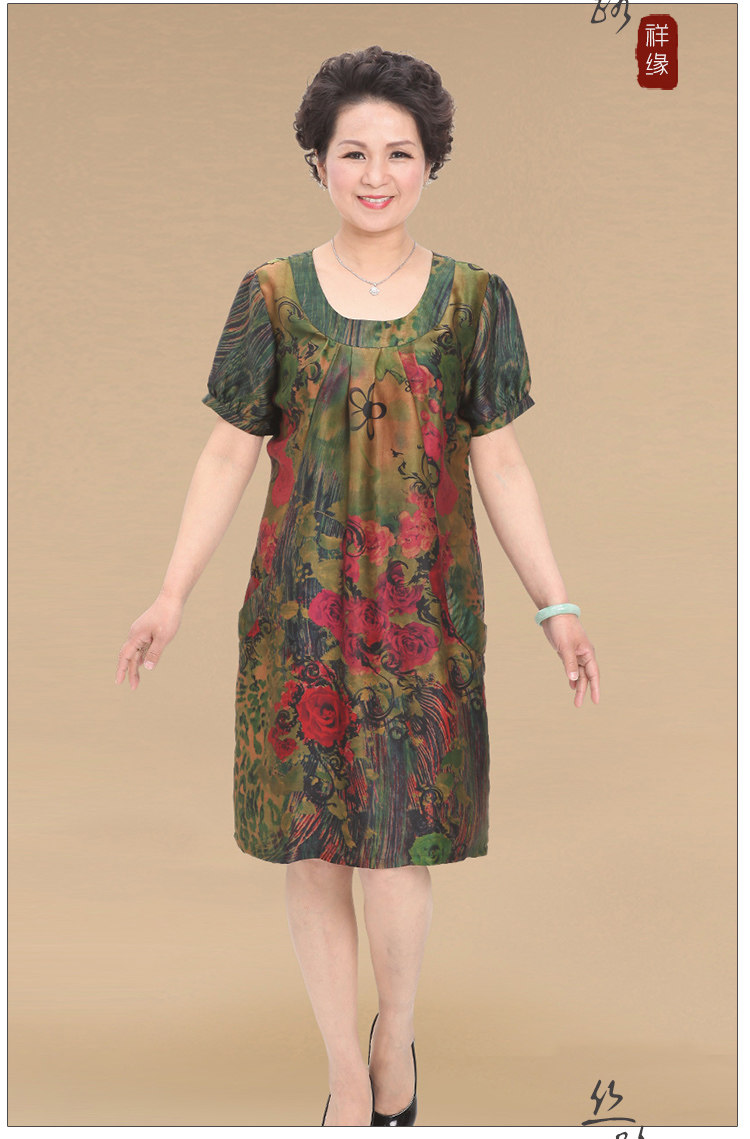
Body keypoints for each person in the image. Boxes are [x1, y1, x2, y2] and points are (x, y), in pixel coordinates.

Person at [116, 45, 600, 1128]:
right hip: (301, 614)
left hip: (424, 618)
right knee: (312, 848)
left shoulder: (475, 300)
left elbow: (502, 463)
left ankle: (396, 1034)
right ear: (317, 162)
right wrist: (171, 593)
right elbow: (228, 452)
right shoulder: (271, 295)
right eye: (353, 153)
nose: (376, 174)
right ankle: (345, 1074)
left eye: (399, 153)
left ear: (430, 163)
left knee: (395, 849)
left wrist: (556, 603)